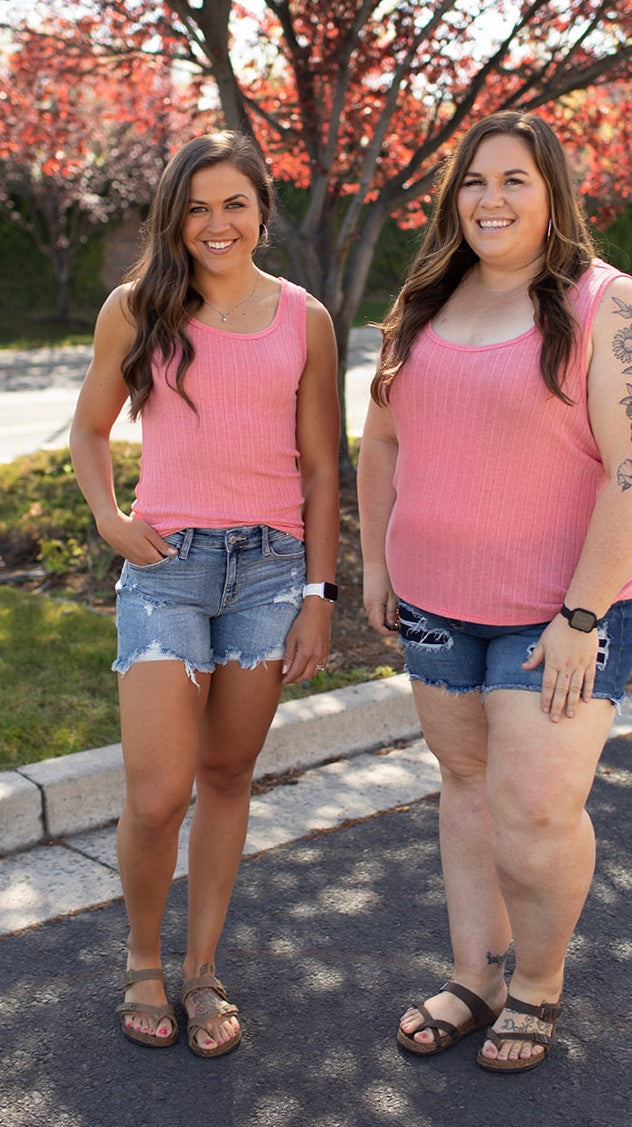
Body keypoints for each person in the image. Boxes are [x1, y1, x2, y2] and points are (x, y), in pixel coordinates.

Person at [358, 110, 632, 1073]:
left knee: (534, 811)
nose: (489, 199)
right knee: (466, 787)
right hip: (436, 606)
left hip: (562, 615)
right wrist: (377, 565)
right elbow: (383, 437)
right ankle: (476, 975)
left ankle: (537, 981)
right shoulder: (426, 296)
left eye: (513, 180)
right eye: (473, 180)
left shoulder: (605, 303)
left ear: (551, 195)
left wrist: (582, 613)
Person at [70, 131, 339, 1057]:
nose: (216, 224)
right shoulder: (136, 307)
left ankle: (201, 968)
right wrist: (109, 518)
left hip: (270, 572)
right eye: (196, 207)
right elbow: (90, 430)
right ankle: (143, 959)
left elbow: (321, 467)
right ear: (173, 216)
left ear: (263, 210)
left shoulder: (304, 318)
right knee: (158, 794)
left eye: (234, 204)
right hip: (167, 570)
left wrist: (320, 593)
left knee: (227, 774)